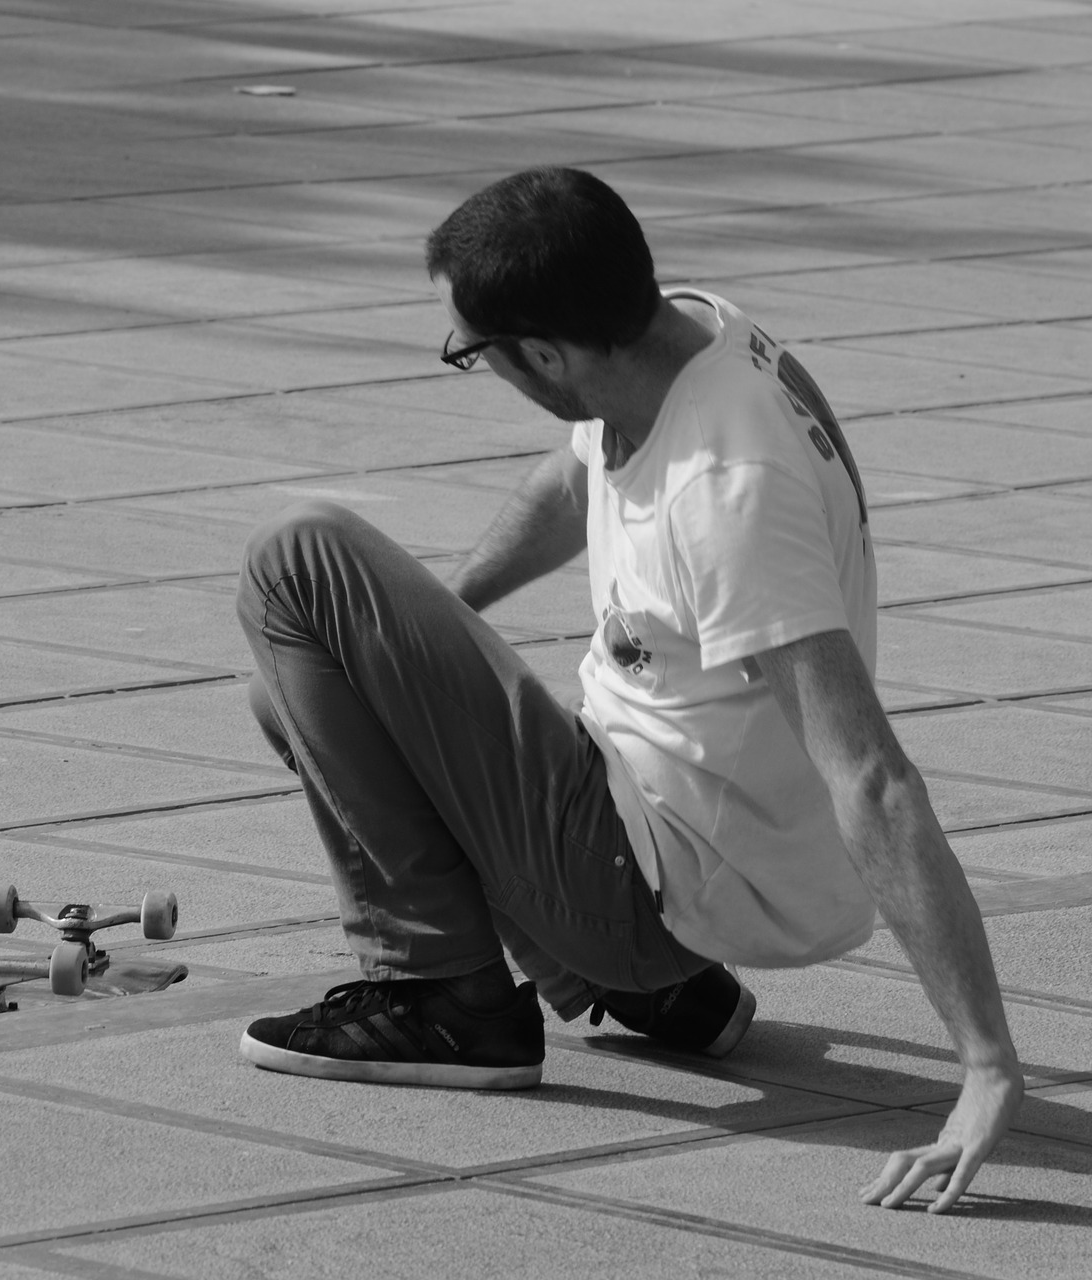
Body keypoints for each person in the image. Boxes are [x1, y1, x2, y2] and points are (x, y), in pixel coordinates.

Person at [235, 167, 1022, 1212]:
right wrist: (420, 630)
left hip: (655, 873)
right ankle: (641, 989)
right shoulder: (678, 331)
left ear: (548, 353)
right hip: (658, 823)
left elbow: (870, 776)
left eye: (472, 354)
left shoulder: (726, 496)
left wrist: (983, 1066)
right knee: (304, 681)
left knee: (299, 558)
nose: (473, 367)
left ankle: (447, 995)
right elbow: (578, 478)